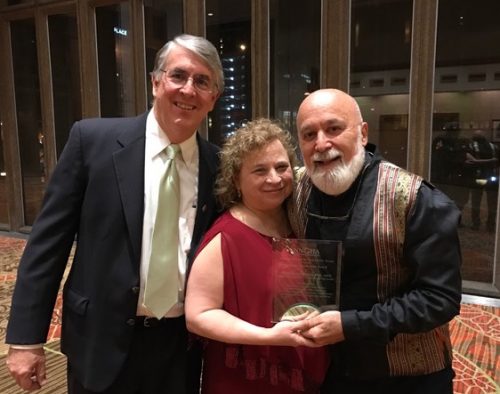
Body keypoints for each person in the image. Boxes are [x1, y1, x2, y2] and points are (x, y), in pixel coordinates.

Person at [5, 34, 223, 394]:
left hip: (179, 348)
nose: (188, 90)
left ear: (213, 98)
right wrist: (26, 339)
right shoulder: (92, 142)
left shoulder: (217, 165)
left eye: (202, 82)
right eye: (178, 76)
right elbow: (47, 246)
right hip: (99, 340)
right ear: (156, 82)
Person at [291, 89, 462, 394]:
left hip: (407, 375)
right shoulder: (294, 189)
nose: (321, 144)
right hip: (331, 368)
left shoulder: (413, 198)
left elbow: (439, 298)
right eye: (308, 134)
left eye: (333, 128)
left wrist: (350, 325)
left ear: (362, 133)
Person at [185, 118, 329, 393]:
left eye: (282, 167)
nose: (274, 178)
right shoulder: (225, 237)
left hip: (302, 376)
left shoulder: (301, 225)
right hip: (245, 380)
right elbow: (199, 315)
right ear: (236, 180)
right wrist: (270, 337)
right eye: (260, 170)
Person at [466, 129, 499, 232]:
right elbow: (495, 161)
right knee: (490, 202)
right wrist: (490, 161)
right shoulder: (494, 147)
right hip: (490, 177)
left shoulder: (471, 146)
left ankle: (477, 224)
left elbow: (472, 160)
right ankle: (490, 225)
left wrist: (477, 162)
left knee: (478, 201)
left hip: (479, 177)